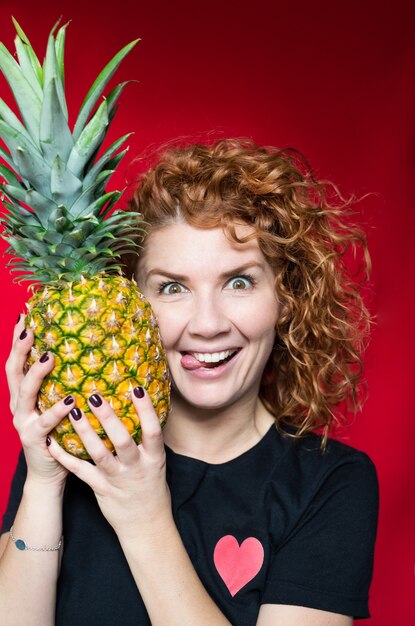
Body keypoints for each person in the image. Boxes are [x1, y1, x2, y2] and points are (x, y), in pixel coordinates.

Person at [0, 137, 379, 626]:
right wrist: (43, 482)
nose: (207, 324)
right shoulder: (78, 442)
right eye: (172, 288)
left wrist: (144, 518)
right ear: (129, 307)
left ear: (286, 297)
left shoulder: (330, 484)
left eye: (239, 281)